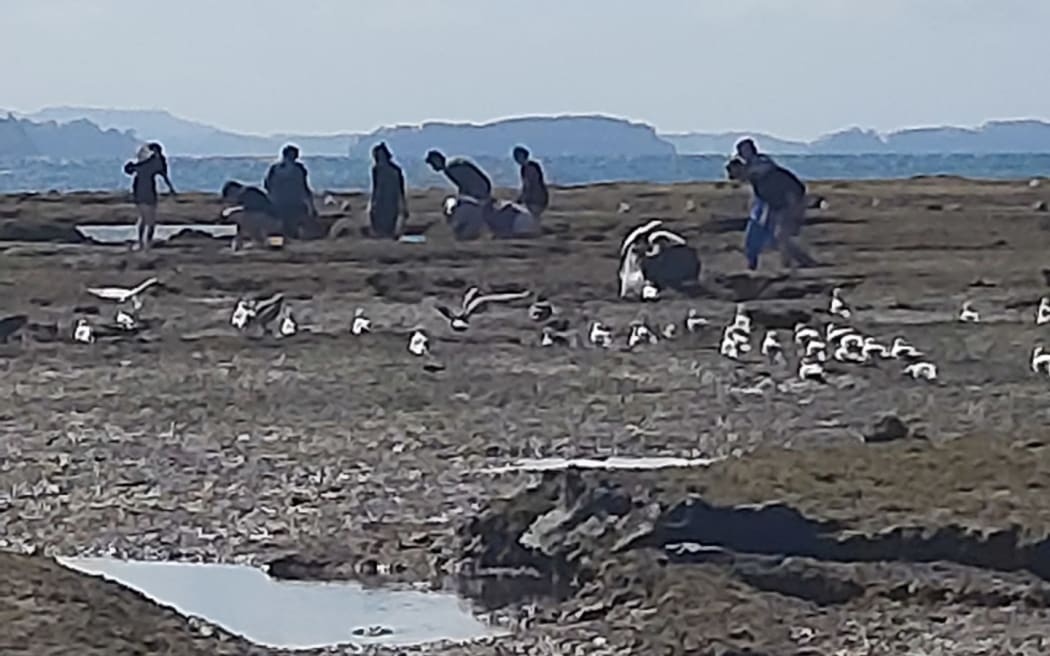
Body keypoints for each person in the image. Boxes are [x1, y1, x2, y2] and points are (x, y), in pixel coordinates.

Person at [726, 156, 817, 270]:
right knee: (777, 237)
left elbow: (789, 186)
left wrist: (794, 206)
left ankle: (801, 263)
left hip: (791, 203)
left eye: (738, 175)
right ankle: (789, 264)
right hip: (779, 206)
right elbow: (767, 200)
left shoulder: (764, 176)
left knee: (781, 235)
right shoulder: (757, 179)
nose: (740, 179)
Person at [425, 149, 493, 239]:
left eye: (432, 163)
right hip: (479, 193)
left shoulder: (452, 168)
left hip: (478, 195)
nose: (433, 167)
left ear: (437, 160)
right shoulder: (453, 165)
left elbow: (467, 184)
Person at [123, 142, 175, 252]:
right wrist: (171, 188)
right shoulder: (152, 162)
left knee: (145, 218)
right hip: (145, 191)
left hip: (144, 191)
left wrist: (170, 188)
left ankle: (144, 243)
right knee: (148, 220)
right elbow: (163, 174)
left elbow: (130, 170)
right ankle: (145, 243)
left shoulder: (149, 162)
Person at [264, 145, 317, 239]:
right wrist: (311, 206)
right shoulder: (299, 169)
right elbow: (305, 189)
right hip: (294, 205)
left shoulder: (274, 169)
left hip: (277, 204)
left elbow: (267, 186)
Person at [220, 181, 282, 250]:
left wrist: (231, 211)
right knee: (243, 218)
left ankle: (261, 242)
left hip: (273, 221)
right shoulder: (247, 194)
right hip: (271, 221)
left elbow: (252, 210)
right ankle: (260, 241)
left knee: (243, 217)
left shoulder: (248, 193)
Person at [368, 143, 408, 238]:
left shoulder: (395, 171)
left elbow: (400, 188)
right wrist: (373, 202)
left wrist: (402, 204)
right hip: (380, 201)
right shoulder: (376, 170)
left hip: (391, 200)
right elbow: (375, 187)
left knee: (390, 222)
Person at [513, 146, 549, 219]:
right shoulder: (530, 167)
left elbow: (529, 185)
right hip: (537, 198)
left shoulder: (528, 168)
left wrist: (521, 199)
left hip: (536, 198)